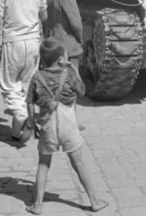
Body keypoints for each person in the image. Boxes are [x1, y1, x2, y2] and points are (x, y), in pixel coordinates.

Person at [25, 38, 108, 215]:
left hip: (48, 124)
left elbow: (30, 102)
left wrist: (33, 124)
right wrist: (73, 68)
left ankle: (38, 205)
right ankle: (94, 201)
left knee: (43, 164)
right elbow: (82, 90)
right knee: (78, 162)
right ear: (61, 59)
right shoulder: (69, 73)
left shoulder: (37, 77)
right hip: (68, 123)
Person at [0, 0, 47, 141]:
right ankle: (17, 131)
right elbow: (44, 17)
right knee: (26, 84)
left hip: (12, 41)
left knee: (8, 84)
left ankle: (21, 115)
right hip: (33, 42)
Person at [45, 0, 83, 69]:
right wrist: (80, 41)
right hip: (67, 43)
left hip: (51, 40)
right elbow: (76, 24)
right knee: (72, 78)